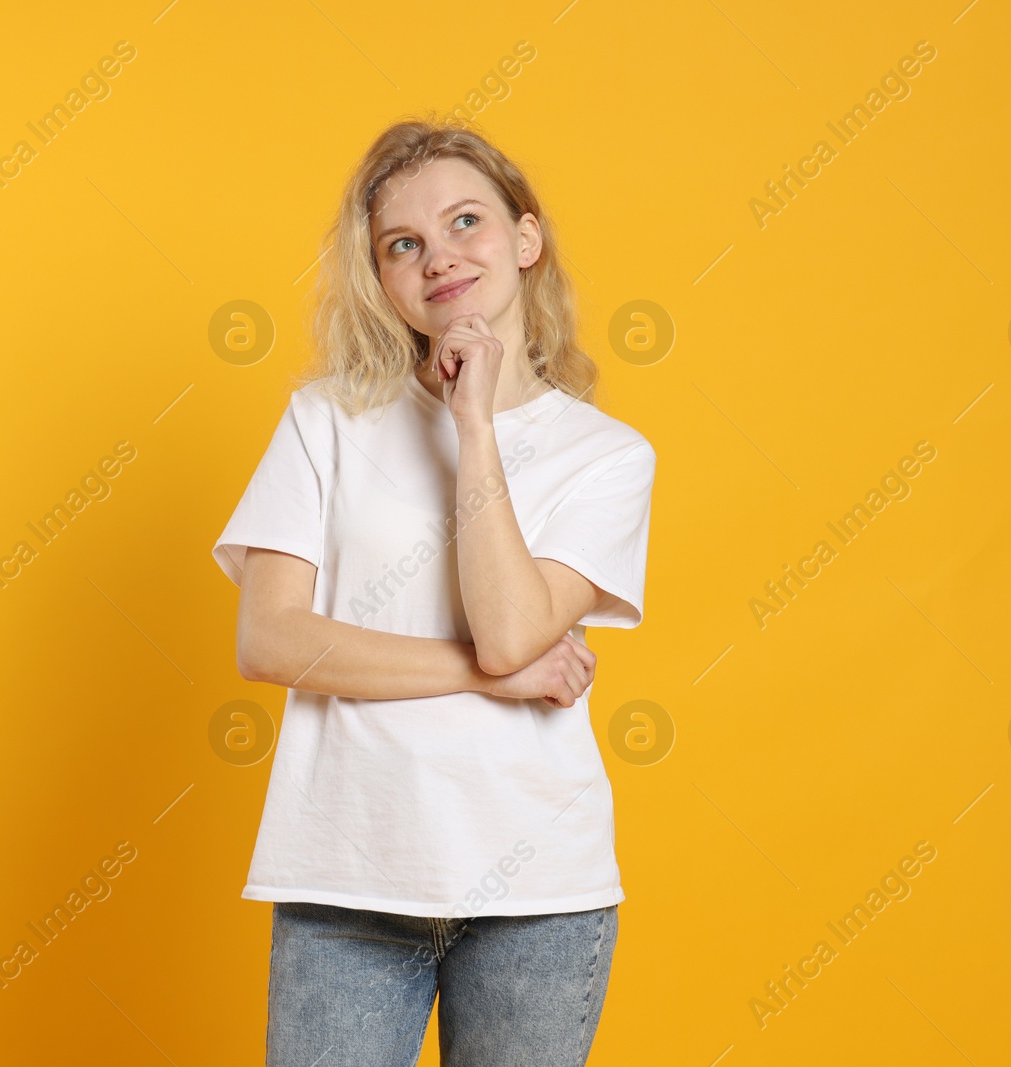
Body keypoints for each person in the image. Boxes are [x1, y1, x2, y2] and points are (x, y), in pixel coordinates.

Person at [211, 115, 658, 1067]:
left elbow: (511, 630)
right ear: (380, 277)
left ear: (526, 238)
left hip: (537, 891)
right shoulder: (326, 420)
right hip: (346, 879)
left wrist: (473, 424)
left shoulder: (609, 456)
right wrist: (485, 674)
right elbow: (272, 640)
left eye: (467, 222)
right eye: (402, 244)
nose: (440, 258)